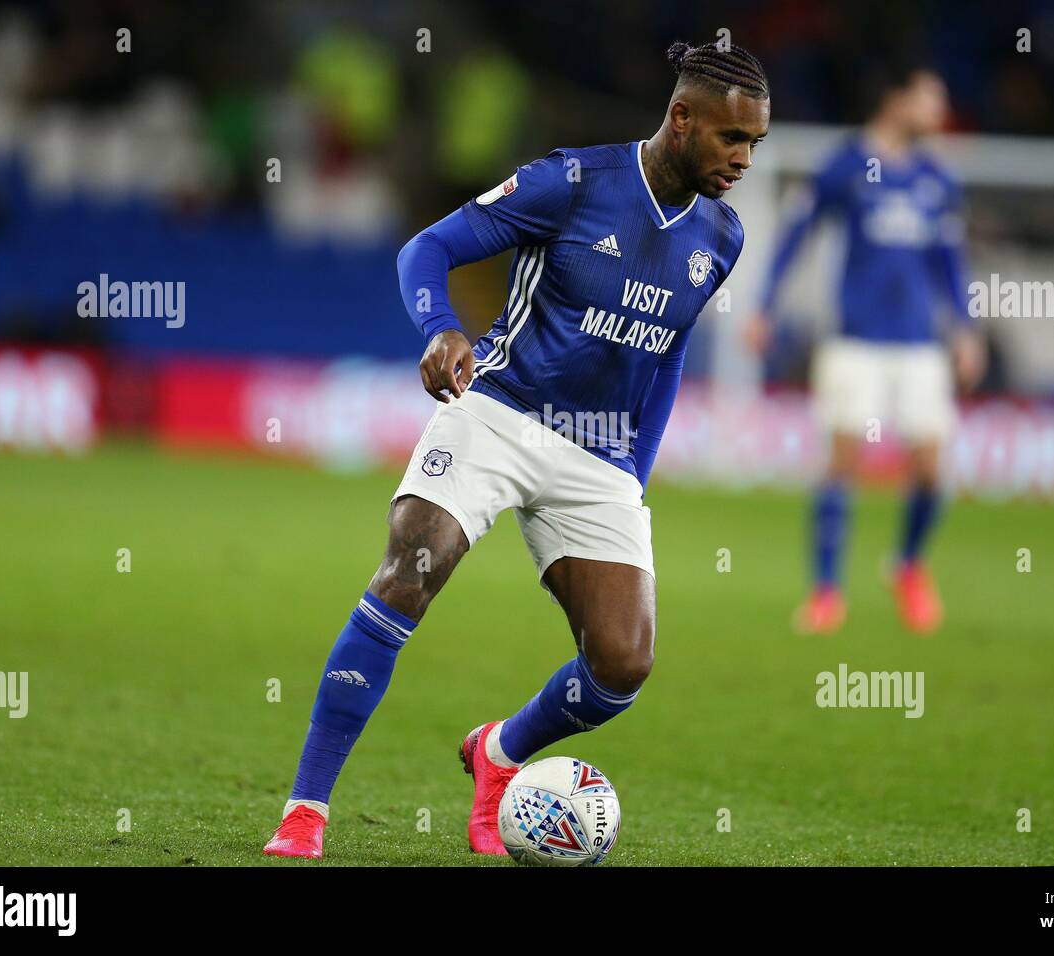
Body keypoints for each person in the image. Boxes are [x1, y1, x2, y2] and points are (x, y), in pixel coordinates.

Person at [263, 40, 770, 859]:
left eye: (756, 145)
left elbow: (670, 348)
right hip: (499, 412)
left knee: (621, 666)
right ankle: (306, 810)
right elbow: (424, 249)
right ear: (681, 119)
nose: (745, 159)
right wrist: (440, 330)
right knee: (411, 567)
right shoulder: (572, 182)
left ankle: (497, 753)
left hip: (600, 458)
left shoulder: (722, 234)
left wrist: (633, 471)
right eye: (732, 140)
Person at [743, 64, 984, 636]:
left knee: (928, 468)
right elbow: (798, 232)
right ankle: (826, 592)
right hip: (854, 339)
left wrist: (967, 328)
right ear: (897, 100)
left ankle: (906, 565)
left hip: (919, 344)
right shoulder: (847, 165)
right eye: (931, 99)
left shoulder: (935, 179)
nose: (939, 111)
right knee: (842, 460)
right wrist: (764, 304)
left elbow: (950, 261)